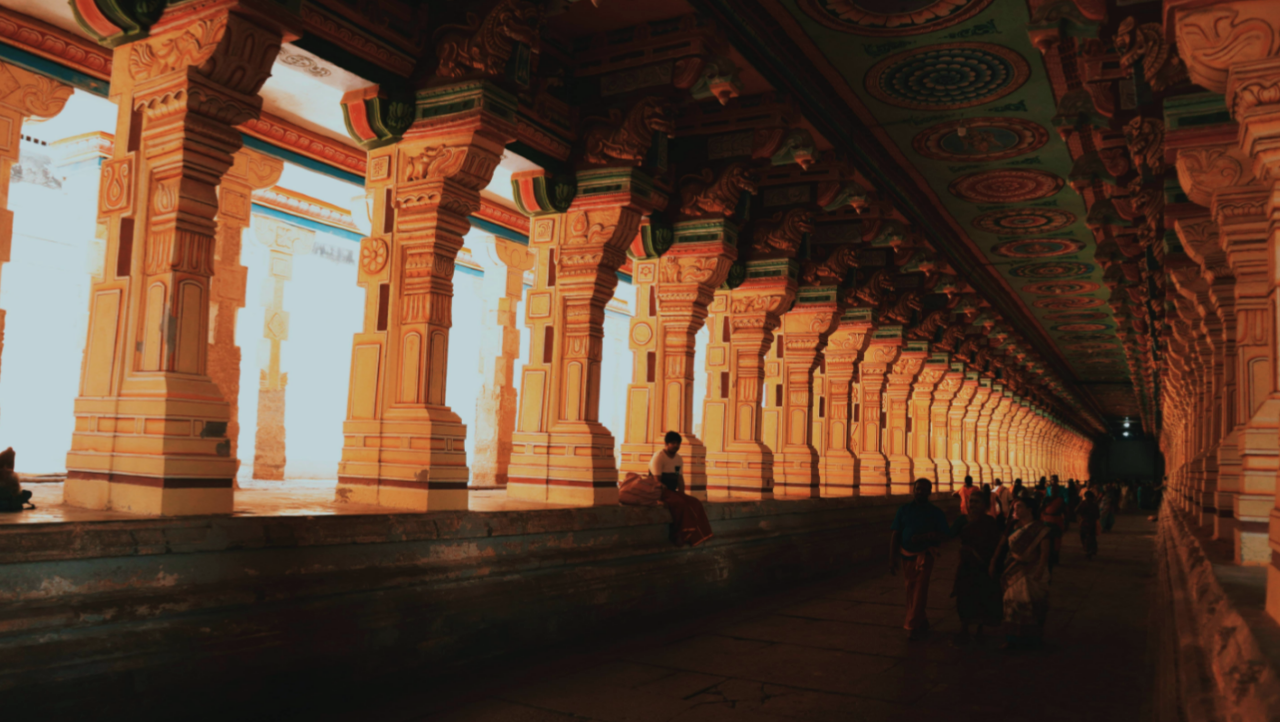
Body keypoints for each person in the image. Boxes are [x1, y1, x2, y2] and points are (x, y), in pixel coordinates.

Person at [620, 432, 713, 547]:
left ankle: (695, 535)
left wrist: (682, 493)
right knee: (680, 503)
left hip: (672, 491)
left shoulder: (678, 459)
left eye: (678, 443)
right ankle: (678, 535)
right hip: (660, 491)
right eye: (673, 443)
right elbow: (657, 481)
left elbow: (679, 478)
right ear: (666, 444)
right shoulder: (659, 457)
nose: (676, 446)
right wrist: (672, 496)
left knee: (695, 502)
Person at [890, 478, 951, 641]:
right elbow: (895, 533)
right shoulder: (903, 510)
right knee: (911, 588)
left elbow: (945, 533)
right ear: (913, 490)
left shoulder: (935, 513)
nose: (920, 492)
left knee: (919, 589)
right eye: (918, 489)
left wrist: (930, 536)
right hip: (905, 556)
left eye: (924, 490)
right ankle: (922, 619)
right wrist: (892, 558)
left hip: (925, 555)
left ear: (930, 492)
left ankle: (910, 624)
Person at [991, 497, 1052, 650]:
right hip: (1012, 570)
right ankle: (1011, 639)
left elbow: (1045, 552)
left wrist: (1039, 570)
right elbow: (1001, 544)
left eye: (1019, 507)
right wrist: (993, 561)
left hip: (1032, 572)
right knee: (1012, 606)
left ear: (1030, 509)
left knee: (1032, 605)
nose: (1015, 510)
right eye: (1014, 507)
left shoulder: (1040, 528)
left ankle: (1033, 639)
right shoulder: (1012, 525)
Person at [952, 492, 1003, 643]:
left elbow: (996, 545)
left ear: (985, 505)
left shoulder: (989, 522)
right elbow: (948, 533)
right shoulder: (963, 520)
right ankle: (964, 627)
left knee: (982, 597)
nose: (972, 505)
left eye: (976, 502)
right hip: (966, 565)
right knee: (963, 596)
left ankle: (980, 628)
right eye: (971, 502)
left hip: (982, 566)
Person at [1076, 490, 1100, 559]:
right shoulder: (1094, 505)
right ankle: (1090, 550)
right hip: (1090, 523)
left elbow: (1076, 511)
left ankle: (1088, 550)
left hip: (1085, 523)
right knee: (1090, 537)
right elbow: (1098, 516)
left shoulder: (1083, 504)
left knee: (1085, 537)